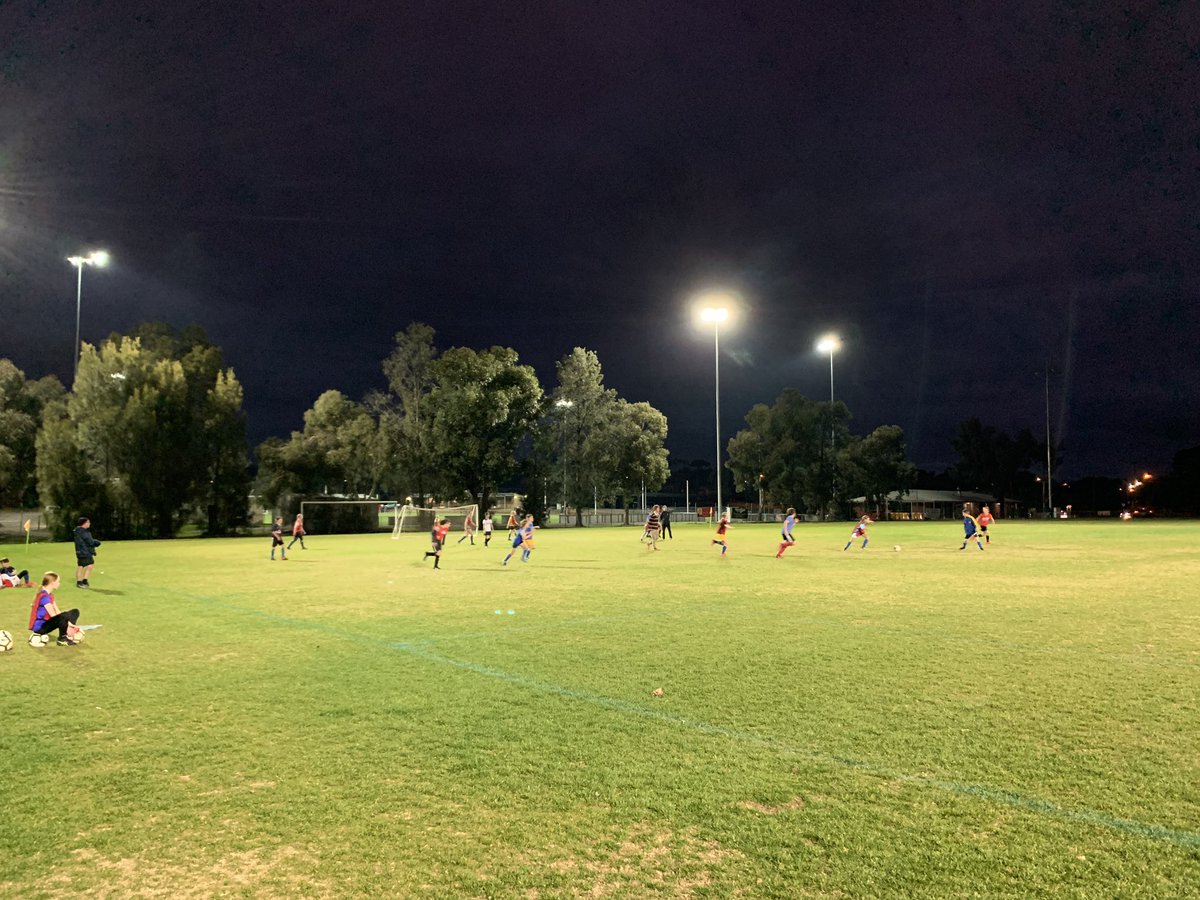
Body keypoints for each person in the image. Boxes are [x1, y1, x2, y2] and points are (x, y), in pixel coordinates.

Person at [28, 571, 82, 647]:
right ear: (52, 583)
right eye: (58, 581)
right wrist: (69, 623)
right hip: (40, 627)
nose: (59, 583)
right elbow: (53, 615)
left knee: (75, 612)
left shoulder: (49, 595)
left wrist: (69, 624)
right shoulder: (45, 597)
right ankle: (62, 639)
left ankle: (68, 631)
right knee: (63, 616)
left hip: (48, 623)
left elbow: (57, 611)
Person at [73, 517, 100, 588]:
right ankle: (80, 582)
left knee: (84, 565)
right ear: (84, 523)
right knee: (86, 565)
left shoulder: (77, 531)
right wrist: (97, 542)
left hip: (80, 551)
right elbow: (90, 541)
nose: (89, 524)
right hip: (85, 551)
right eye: (88, 522)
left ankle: (83, 580)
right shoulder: (84, 532)